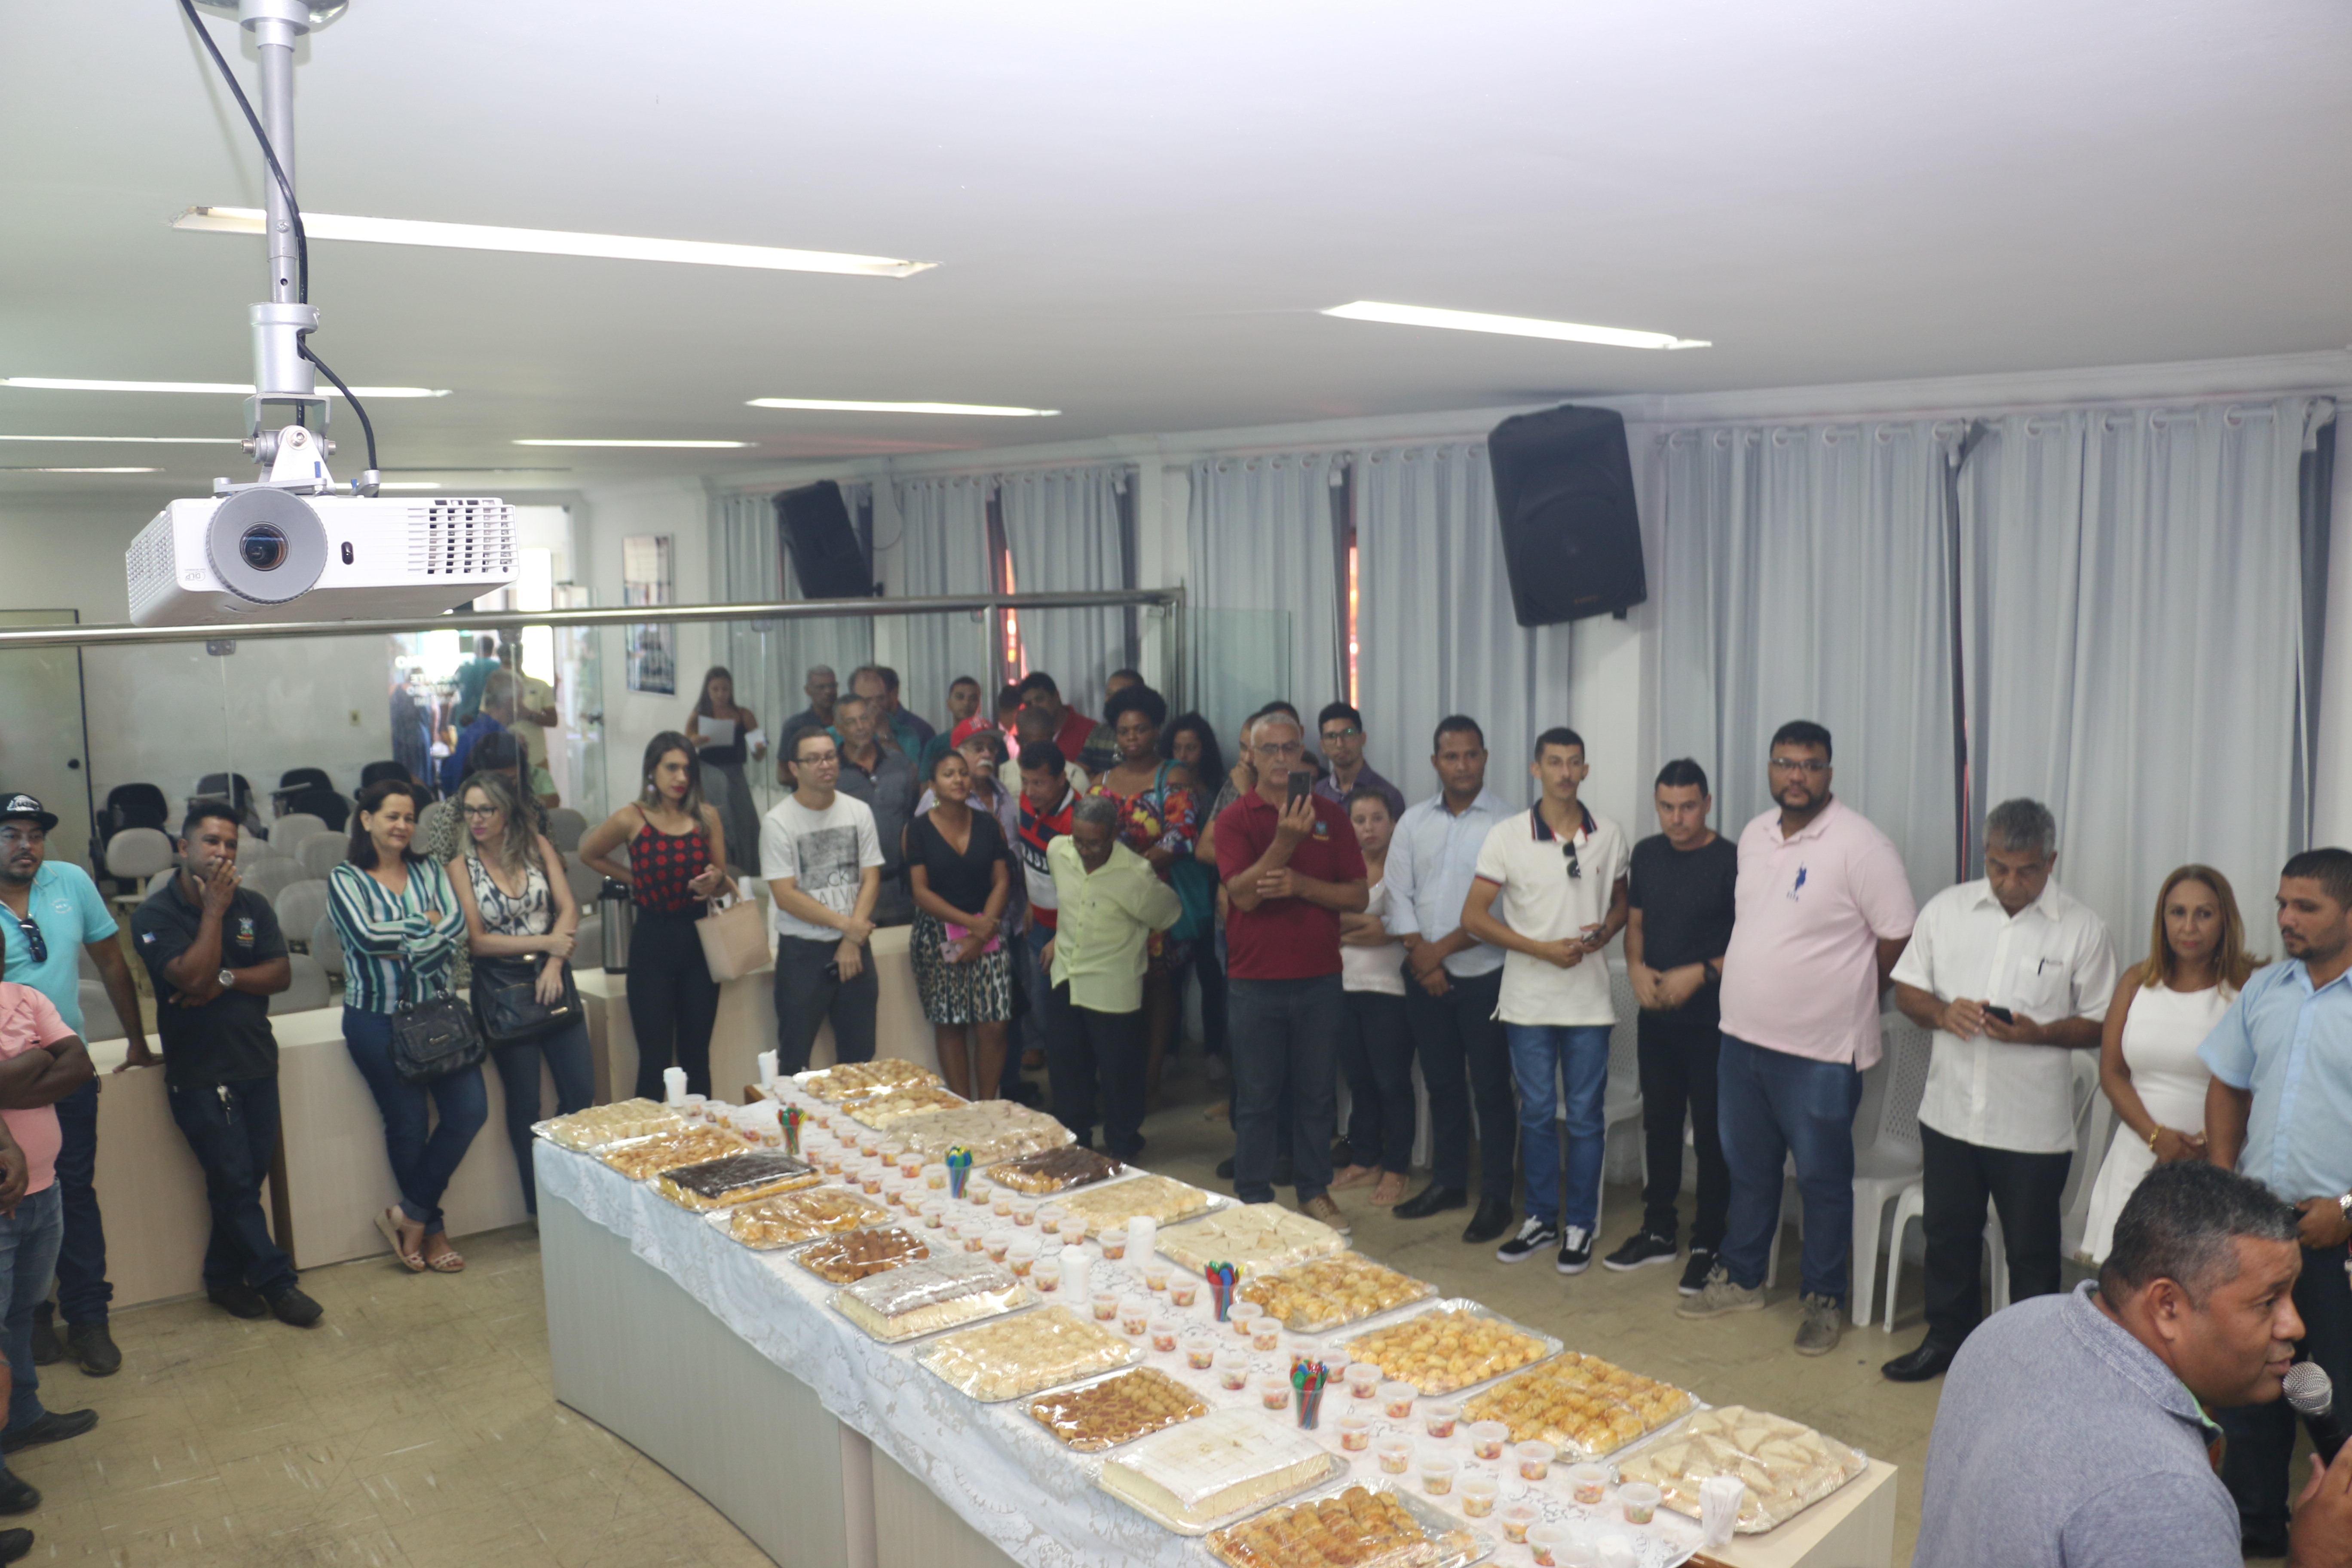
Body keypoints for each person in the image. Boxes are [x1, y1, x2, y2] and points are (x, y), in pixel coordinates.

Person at [1914, 1160, 2352, 1568]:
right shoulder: (2166, 1498)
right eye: (2268, 1302)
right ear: (2167, 1306)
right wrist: (2315, 1558)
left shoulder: (2011, 1326)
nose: (2295, 1326)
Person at [1679, 720, 1916, 1358]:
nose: (1797, 776)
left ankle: (1822, 1299)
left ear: (1829, 773)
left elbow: (1899, 934)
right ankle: (1744, 1278)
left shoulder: (1861, 846)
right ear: (1770, 768)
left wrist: (1857, 992)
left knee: (1821, 1180)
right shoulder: (1756, 835)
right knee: (1749, 1170)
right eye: (1785, 763)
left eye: (1810, 765)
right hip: (1742, 1039)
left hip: (1819, 1053)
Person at [1880, 799, 2118, 1381]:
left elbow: (2101, 1023)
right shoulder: (1947, 910)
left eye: (2026, 871)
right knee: (1948, 1237)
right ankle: (1947, 1342)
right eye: (1997, 867)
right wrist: (1943, 1012)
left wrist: (2041, 1034)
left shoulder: (2083, 929)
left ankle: (2031, 1366)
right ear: (1985, 855)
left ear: (2051, 862)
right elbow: (1907, 990)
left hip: (2031, 1127)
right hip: (1950, 1113)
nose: (2010, 882)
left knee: (2031, 1253)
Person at [2201, 846, 2352, 1556]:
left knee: (2338, 1397)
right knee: (2251, 1384)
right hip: (2257, 1226)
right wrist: (2222, 1181)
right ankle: (2255, 1524)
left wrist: (2346, 1209)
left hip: (2336, 1240)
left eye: (2306, 907)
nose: (2287, 918)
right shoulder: (2266, 987)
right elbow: (2228, 1083)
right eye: (2282, 904)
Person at [129, 803, 317, 1326]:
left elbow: (280, 974)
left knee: (242, 1183)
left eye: (231, 844)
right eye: (211, 842)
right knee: (234, 1183)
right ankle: (277, 1282)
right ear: (183, 848)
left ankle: (222, 1279)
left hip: (255, 1060)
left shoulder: (254, 905)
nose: (222, 853)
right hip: (199, 1073)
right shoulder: (155, 915)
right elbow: (190, 977)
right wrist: (213, 911)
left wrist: (227, 979)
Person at [1461, 729, 1630, 1274]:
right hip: (1528, 1000)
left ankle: (1579, 1224)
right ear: (1536, 769)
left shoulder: (1609, 834)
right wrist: (1540, 949)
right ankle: (1538, 1219)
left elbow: (1622, 903)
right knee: (1535, 1114)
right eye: (1554, 762)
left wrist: (1605, 932)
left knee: (1583, 1118)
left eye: (1574, 763)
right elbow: (1474, 917)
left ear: (1585, 770)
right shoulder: (1507, 836)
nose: (1565, 772)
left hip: (1588, 1002)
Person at [0, 793, 146, 1377]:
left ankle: (89, 1318)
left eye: (35, 835)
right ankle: (31, 1317)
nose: (26, 846)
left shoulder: (71, 882)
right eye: (11, 834)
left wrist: (138, 1041)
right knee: (13, 1199)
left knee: (75, 1193)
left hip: (66, 1069)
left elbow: (111, 963)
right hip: (7, 1084)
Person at [1216, 709, 1366, 1234]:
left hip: (1319, 979)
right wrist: (1284, 842)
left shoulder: (1332, 816)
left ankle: (1314, 1191)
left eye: (1290, 748)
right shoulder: (1235, 820)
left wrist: (1301, 886)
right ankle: (1254, 1198)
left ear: (1303, 753)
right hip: (1255, 982)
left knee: (1316, 1096)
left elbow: (1358, 895)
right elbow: (1241, 897)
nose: (1282, 758)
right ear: (1251, 757)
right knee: (1257, 1098)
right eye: (1270, 749)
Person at [329, 779, 480, 1275]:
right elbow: (367, 938)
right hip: (376, 1018)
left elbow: (458, 926)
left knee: (469, 1111)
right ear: (366, 819)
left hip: (436, 1013)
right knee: (409, 1123)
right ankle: (432, 1232)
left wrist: (421, 931)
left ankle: (407, 1214)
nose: (402, 826)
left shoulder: (429, 868)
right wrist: (426, 922)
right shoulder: (346, 878)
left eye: (410, 818)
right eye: (392, 816)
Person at [1603, 760, 1740, 1293]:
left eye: (1688, 807)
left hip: (1713, 1021)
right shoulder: (1647, 854)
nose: (1677, 818)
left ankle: (1709, 1242)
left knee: (1711, 1134)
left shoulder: (1732, 860)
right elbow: (1636, 924)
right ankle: (1658, 1230)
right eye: (1667, 807)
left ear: (1707, 804)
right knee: (1659, 1125)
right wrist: (1635, 967)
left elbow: (1752, 942)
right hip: (1657, 1016)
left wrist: (1700, 973)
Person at [1383, 716, 1519, 1241]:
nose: (1462, 765)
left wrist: (1434, 955)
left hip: (1485, 975)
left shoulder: (1509, 825)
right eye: (1451, 756)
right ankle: (1449, 1183)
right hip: (1425, 978)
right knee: (1441, 1084)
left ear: (1485, 758)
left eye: (1471, 755)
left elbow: (1502, 911)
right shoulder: (1413, 822)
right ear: (1435, 762)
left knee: (1491, 1089)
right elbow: (1398, 895)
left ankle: (1497, 1198)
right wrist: (1423, 959)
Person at [2079, 865, 2255, 1263]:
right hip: (2136, 1153)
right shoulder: (2136, 982)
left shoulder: (2249, 987)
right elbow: (2112, 1072)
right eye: (2178, 913)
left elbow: (2260, 1083)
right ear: (2162, 919)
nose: (2189, 927)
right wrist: (2156, 1137)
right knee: (2126, 1278)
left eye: (2204, 914)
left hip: (2215, 1161)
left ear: (2225, 919)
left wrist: (2210, 1145)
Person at [446, 771, 591, 1221]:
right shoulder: (460, 867)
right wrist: (547, 943)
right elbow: (477, 942)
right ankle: (541, 1209)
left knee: (581, 1093)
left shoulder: (537, 847)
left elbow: (569, 908)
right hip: (501, 988)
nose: (476, 820)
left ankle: (573, 1192)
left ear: (506, 811)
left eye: (486, 810)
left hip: (553, 978)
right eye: (469, 811)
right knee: (526, 1105)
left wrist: (554, 961)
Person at [578, 735, 735, 1099]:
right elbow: (589, 854)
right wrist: (636, 879)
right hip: (652, 946)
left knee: (697, 1058)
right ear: (652, 770)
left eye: (687, 770)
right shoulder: (632, 817)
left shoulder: (706, 817)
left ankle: (702, 1133)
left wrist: (714, 881)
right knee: (655, 1061)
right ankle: (650, 1135)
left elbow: (723, 883)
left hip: (699, 944)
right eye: (672, 768)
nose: (681, 777)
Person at [1046, 795, 1182, 1157]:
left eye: (1093, 843)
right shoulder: (1058, 851)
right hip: (1065, 977)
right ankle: (1076, 1144)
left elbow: (1169, 914)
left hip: (1113, 986)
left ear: (1113, 835)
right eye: (1078, 840)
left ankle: (1122, 1145)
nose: (1084, 850)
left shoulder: (1136, 875)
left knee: (1119, 1075)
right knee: (1067, 1070)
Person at [1086, 684, 1202, 1104]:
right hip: (1109, 903)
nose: (1132, 738)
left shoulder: (1173, 775)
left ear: (1156, 731)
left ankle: (1150, 1079)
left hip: (1155, 898)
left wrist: (1128, 873)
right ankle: (1116, 1080)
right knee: (1113, 989)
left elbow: (1181, 836)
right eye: (1124, 731)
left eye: (1140, 729)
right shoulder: (1100, 781)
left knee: (1156, 988)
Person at [0, 974, 94, 1459]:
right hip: (4, 1201)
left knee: (21, 1314)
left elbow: (78, 1065)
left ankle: (23, 1418)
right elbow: (57, 1062)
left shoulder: (27, 997)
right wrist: (38, 1059)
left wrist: (8, 1082)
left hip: (45, 1191)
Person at [763, 726, 883, 1076]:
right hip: (803, 954)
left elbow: (871, 877)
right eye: (813, 759)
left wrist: (851, 940)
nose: (825, 765)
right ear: (794, 768)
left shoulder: (859, 811)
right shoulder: (778, 822)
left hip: (856, 949)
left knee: (860, 1060)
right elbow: (785, 895)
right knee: (794, 1060)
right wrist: (848, 927)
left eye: (830, 756)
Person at [906, 751, 1014, 1099]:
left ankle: (987, 1105)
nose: (958, 780)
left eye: (964, 773)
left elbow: (1002, 880)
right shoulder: (917, 830)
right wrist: (972, 925)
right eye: (949, 774)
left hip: (988, 929)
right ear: (932, 785)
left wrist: (982, 931)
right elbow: (919, 892)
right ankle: (962, 1107)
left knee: (994, 1025)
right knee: (950, 1023)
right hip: (938, 932)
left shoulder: (988, 824)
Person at [1330, 787, 1414, 1207]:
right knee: (1360, 1081)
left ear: (1393, 823)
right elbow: (1327, 924)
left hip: (1390, 991)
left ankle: (1397, 1167)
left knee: (1391, 1082)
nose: (1369, 828)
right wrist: (1369, 926)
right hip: (1344, 987)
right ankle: (1366, 1159)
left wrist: (1353, 928)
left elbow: (1394, 930)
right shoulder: (1340, 871)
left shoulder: (1403, 870)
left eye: (1377, 819)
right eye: (1360, 820)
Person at [1164, 714, 1231, 1076]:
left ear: (1205, 750)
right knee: (1171, 979)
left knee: (1211, 976)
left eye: (1191, 747)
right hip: (1173, 888)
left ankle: (1213, 1051)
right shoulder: (1164, 786)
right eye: (1177, 747)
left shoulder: (1219, 789)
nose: (1184, 755)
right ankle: (1169, 1050)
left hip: (1211, 887)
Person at [1016, 740, 1080, 1075]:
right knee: (1038, 1001)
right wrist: (1031, 899)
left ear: (1061, 778)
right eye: (1025, 781)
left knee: (1061, 1013)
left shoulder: (1076, 820)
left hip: (1067, 930)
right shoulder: (1027, 801)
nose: (1029, 791)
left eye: (1038, 783)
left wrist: (1061, 937)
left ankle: (1072, 1084)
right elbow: (1032, 859)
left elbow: (1084, 888)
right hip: (1037, 919)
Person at [832, 692, 916, 927]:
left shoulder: (898, 763)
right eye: (851, 722)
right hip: (852, 889)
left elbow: (911, 814)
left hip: (899, 885)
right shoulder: (831, 773)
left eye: (865, 718)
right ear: (838, 728)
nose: (860, 727)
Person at [688, 665, 765, 878]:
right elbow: (685, 748)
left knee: (743, 822)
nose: (721, 694)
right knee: (720, 821)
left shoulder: (744, 715)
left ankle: (748, 871)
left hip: (735, 774)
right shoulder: (698, 715)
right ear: (708, 691)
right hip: (709, 774)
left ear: (731, 690)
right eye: (716, 690)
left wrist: (759, 747)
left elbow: (759, 755)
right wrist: (695, 741)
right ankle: (720, 869)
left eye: (725, 689)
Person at [1314, 704, 1406, 821]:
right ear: (1322, 746)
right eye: (1331, 736)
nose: (1340, 744)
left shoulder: (1389, 795)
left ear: (1363, 738)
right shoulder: (1317, 792)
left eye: (1348, 733)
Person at [441, 669, 514, 796]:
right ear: (509, 702)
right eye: (520, 700)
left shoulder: (488, 732)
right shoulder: (487, 736)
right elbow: (460, 784)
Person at [1001, 705, 1089, 798]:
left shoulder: (1074, 777)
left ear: (1052, 738)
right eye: (1031, 746)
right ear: (1018, 741)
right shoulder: (1003, 775)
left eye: (1043, 746)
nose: (1037, 753)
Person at [1017, 671, 1097, 765]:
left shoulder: (1091, 731)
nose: (1035, 707)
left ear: (1056, 696)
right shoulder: (1027, 736)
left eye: (1039, 699)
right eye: (1029, 704)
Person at [845, 666, 922, 760]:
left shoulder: (907, 734)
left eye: (881, 698)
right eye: (867, 700)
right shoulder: (836, 735)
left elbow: (906, 769)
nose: (875, 705)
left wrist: (884, 732)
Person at [776, 664, 839, 774]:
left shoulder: (849, 722)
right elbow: (784, 774)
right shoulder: (795, 726)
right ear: (808, 691)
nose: (828, 691)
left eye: (832, 686)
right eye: (821, 687)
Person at [1078, 669, 1141, 775]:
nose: (1109, 701)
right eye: (1109, 694)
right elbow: (1079, 773)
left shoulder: (1144, 734)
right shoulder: (1099, 731)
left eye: (1118, 696)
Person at [922, 675, 985, 780]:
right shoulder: (936, 745)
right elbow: (926, 785)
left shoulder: (991, 742)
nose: (966, 703)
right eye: (960, 697)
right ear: (949, 704)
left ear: (979, 706)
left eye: (973, 699)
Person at [876, 665, 935, 752]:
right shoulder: (861, 727)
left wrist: (886, 734)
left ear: (894, 694)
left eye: (878, 697)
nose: (871, 704)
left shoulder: (920, 731)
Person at [449, 634, 501, 728]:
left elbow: (448, 694)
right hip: (492, 724)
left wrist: (443, 725)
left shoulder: (464, 668)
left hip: (465, 723)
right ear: (493, 649)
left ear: (476, 649)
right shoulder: (499, 668)